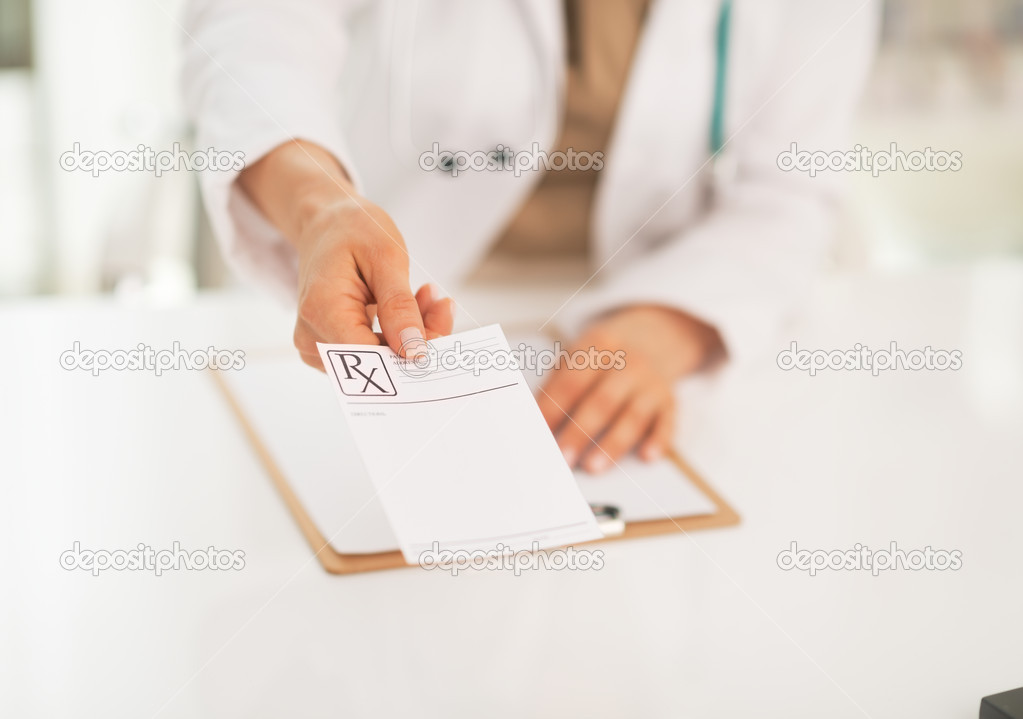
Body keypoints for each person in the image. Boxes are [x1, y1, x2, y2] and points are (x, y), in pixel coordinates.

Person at [182, 0, 877, 472]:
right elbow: (251, 34)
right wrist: (320, 207)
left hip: (668, 283)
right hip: (400, 284)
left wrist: (666, 323)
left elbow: (789, 186)